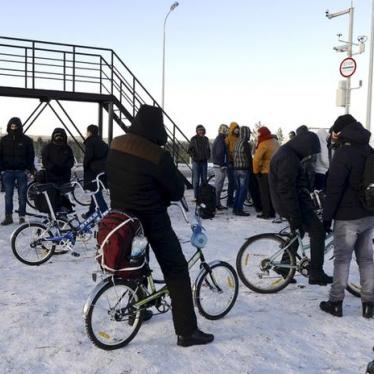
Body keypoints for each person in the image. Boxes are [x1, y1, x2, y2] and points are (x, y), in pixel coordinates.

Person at [106, 104, 213, 347]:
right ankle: (187, 331)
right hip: (152, 219)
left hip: (123, 220)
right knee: (176, 269)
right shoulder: (156, 154)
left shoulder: (116, 144)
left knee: (137, 266)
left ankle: (138, 310)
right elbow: (176, 189)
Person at [320, 115, 374, 318]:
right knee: (367, 260)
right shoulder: (369, 150)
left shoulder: (344, 153)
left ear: (341, 131)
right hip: (369, 214)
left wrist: (327, 217)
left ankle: (335, 302)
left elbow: (334, 189)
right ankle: (369, 304)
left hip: (347, 217)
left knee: (342, 260)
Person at [269, 130, 333, 285]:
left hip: (290, 202)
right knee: (317, 232)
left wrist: (306, 199)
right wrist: (294, 215)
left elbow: (298, 183)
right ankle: (316, 273)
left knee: (299, 231)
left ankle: (284, 266)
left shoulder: (290, 154)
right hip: (288, 203)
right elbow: (286, 189)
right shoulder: (288, 158)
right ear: (305, 146)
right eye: (310, 152)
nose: (310, 156)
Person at [0, 117, 35, 225]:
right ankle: (8, 217)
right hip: (8, 171)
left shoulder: (27, 140)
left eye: (15, 126)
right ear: (9, 126)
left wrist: (30, 170)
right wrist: (1, 170)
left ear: (19, 126)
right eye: (11, 126)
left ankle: (21, 216)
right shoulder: (4, 140)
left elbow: (30, 156)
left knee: (22, 195)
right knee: (8, 196)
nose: (13, 128)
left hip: (21, 171)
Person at [253, 126, 279, 219]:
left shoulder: (263, 143)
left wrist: (256, 171)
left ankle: (266, 213)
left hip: (265, 171)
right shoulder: (275, 142)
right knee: (272, 192)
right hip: (275, 171)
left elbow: (256, 159)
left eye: (259, 133)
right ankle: (272, 212)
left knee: (264, 193)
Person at [82, 125, 108, 218]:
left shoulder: (90, 143)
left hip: (92, 173)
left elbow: (88, 158)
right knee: (96, 191)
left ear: (90, 132)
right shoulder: (103, 143)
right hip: (102, 172)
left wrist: (85, 167)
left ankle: (106, 214)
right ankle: (91, 212)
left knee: (96, 194)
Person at [232, 126, 252, 216]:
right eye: (249, 134)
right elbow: (249, 157)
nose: (249, 136)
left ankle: (235, 208)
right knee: (243, 191)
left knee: (238, 190)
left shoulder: (237, 142)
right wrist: (252, 168)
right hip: (244, 169)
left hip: (235, 169)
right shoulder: (246, 144)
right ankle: (239, 209)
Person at [187, 125, 210, 200]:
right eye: (199, 130)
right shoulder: (193, 139)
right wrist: (194, 156)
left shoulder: (206, 139)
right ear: (197, 131)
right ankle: (196, 196)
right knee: (196, 180)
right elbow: (189, 150)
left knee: (204, 180)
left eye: (202, 130)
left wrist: (208, 155)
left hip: (204, 162)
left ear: (204, 131)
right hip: (196, 162)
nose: (201, 131)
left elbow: (208, 149)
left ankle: (203, 195)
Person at [212, 124, 229, 210]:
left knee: (219, 185)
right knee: (218, 186)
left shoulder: (220, 139)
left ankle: (217, 203)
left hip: (218, 165)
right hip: (219, 166)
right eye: (227, 130)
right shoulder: (220, 140)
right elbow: (220, 153)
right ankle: (216, 203)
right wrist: (222, 165)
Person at [225, 122, 240, 207]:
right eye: (235, 128)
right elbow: (225, 150)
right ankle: (229, 201)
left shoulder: (239, 138)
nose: (237, 130)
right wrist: (229, 159)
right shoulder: (228, 138)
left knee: (236, 183)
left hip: (237, 163)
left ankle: (233, 199)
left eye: (238, 128)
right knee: (232, 183)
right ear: (232, 129)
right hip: (230, 163)